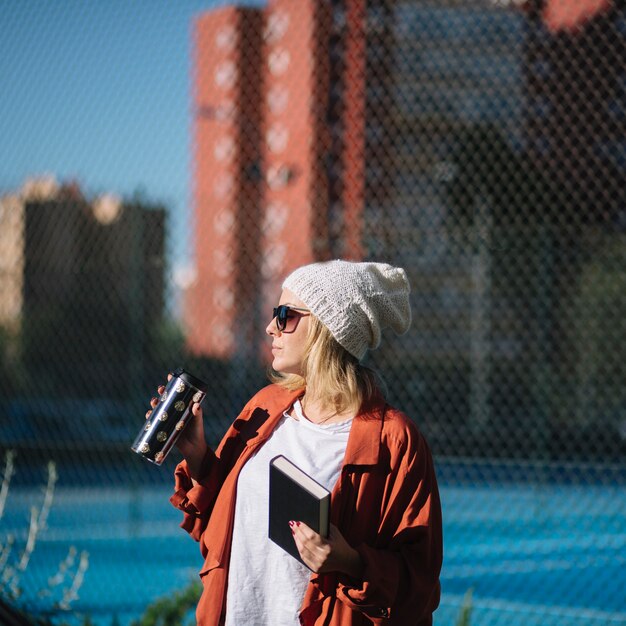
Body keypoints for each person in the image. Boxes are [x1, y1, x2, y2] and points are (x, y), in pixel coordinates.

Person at [153, 260, 443, 625]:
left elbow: (420, 586)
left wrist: (349, 562)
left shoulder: (395, 440)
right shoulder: (264, 406)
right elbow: (219, 529)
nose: (271, 327)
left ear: (326, 329)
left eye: (285, 314)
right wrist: (197, 456)